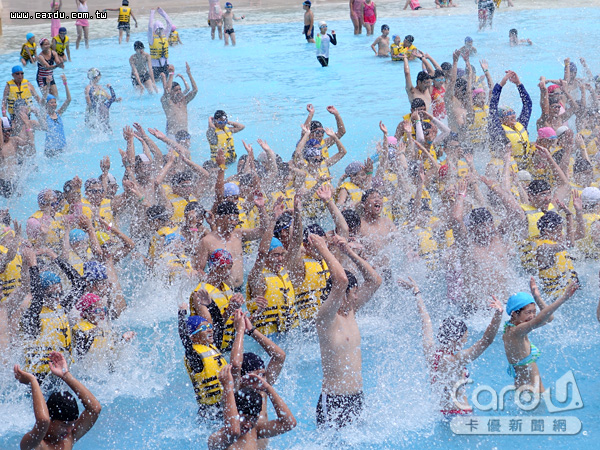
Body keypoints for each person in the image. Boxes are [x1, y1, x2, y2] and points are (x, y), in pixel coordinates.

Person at [397, 277, 503, 415]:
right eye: (465, 338)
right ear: (456, 340)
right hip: (460, 412)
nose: (466, 341)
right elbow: (486, 340)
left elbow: (426, 320)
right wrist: (498, 315)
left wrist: (416, 292)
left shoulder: (430, 351)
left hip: (442, 412)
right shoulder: (457, 359)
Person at [313, 233, 381, 428]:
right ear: (342, 295)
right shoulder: (326, 318)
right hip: (333, 400)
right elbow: (341, 280)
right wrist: (324, 249)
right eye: (354, 292)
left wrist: (349, 252)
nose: (357, 295)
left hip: (357, 397)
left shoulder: (350, 311)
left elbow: (375, 281)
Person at [14, 351, 102, 449]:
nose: (69, 430)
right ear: (51, 419)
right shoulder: (36, 444)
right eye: (64, 425)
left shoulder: (68, 439)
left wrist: (66, 375)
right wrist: (33, 381)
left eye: (73, 424)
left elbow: (95, 409)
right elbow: (43, 421)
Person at [503, 280, 578, 393]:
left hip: (527, 393)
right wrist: (563, 298)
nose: (532, 316)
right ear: (514, 313)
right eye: (528, 312)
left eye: (534, 312)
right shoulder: (515, 331)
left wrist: (536, 297)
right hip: (532, 396)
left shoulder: (513, 328)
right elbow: (538, 320)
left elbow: (549, 318)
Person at [207, 366, 296, 450]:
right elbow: (233, 432)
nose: (248, 424)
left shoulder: (254, 431)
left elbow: (289, 423)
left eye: (253, 419)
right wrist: (228, 388)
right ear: (234, 413)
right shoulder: (217, 439)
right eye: (245, 418)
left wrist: (268, 388)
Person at [40, 73, 70, 157]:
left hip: (62, 149)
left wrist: (65, 84)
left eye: (55, 102)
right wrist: (48, 84)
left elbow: (68, 100)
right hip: (50, 151)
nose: (54, 104)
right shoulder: (45, 116)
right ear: (46, 104)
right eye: (51, 102)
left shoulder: (59, 113)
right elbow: (43, 101)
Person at [84, 68, 121, 133]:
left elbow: (109, 98)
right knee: (94, 130)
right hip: (92, 112)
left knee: (105, 127)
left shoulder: (100, 87)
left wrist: (116, 100)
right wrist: (96, 104)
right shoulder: (88, 87)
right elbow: (89, 102)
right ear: (96, 76)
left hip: (101, 111)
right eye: (99, 75)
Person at [148, 7, 173, 80]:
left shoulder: (165, 36)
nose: (160, 31)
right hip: (155, 67)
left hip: (165, 65)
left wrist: (162, 12)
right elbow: (150, 27)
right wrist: (152, 13)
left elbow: (170, 24)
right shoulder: (151, 38)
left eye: (161, 29)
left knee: (166, 88)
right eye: (158, 29)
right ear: (155, 30)